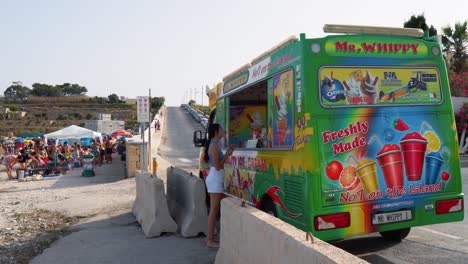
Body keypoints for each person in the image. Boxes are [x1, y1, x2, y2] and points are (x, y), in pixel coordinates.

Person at [204, 123, 234, 248]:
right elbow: (217, 166)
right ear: (216, 132)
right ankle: (210, 240)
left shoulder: (214, 144)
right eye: (221, 129)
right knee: (214, 210)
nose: (223, 131)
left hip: (215, 178)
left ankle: (211, 237)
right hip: (215, 179)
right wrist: (227, 154)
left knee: (215, 209)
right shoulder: (214, 146)